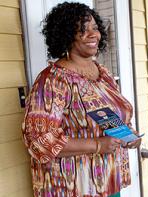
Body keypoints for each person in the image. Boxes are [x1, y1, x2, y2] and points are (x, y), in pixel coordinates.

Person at [21, 2, 141, 197]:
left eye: (95, 28)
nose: (92, 34)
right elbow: (39, 140)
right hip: (74, 186)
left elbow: (112, 116)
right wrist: (98, 144)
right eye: (82, 30)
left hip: (108, 180)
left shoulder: (103, 74)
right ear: (66, 35)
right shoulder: (53, 80)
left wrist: (127, 135)